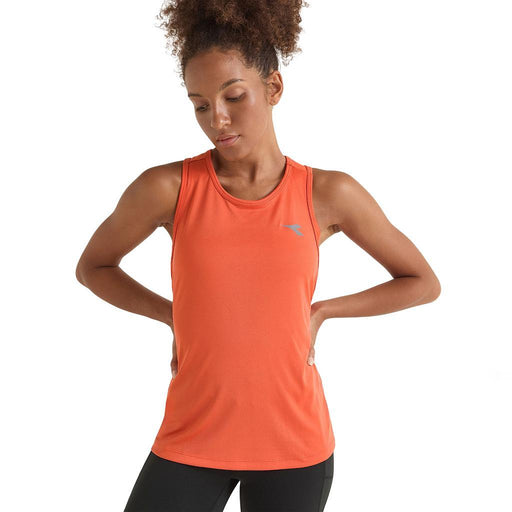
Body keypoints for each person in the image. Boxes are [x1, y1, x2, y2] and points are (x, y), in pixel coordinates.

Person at [75, 1, 441, 510]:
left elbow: (421, 281)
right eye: (200, 105)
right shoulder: (167, 188)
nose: (217, 120)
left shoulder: (327, 193)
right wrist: (174, 315)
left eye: (233, 96)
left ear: (273, 88)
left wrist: (322, 311)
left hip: (294, 442)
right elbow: (93, 267)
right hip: (192, 434)